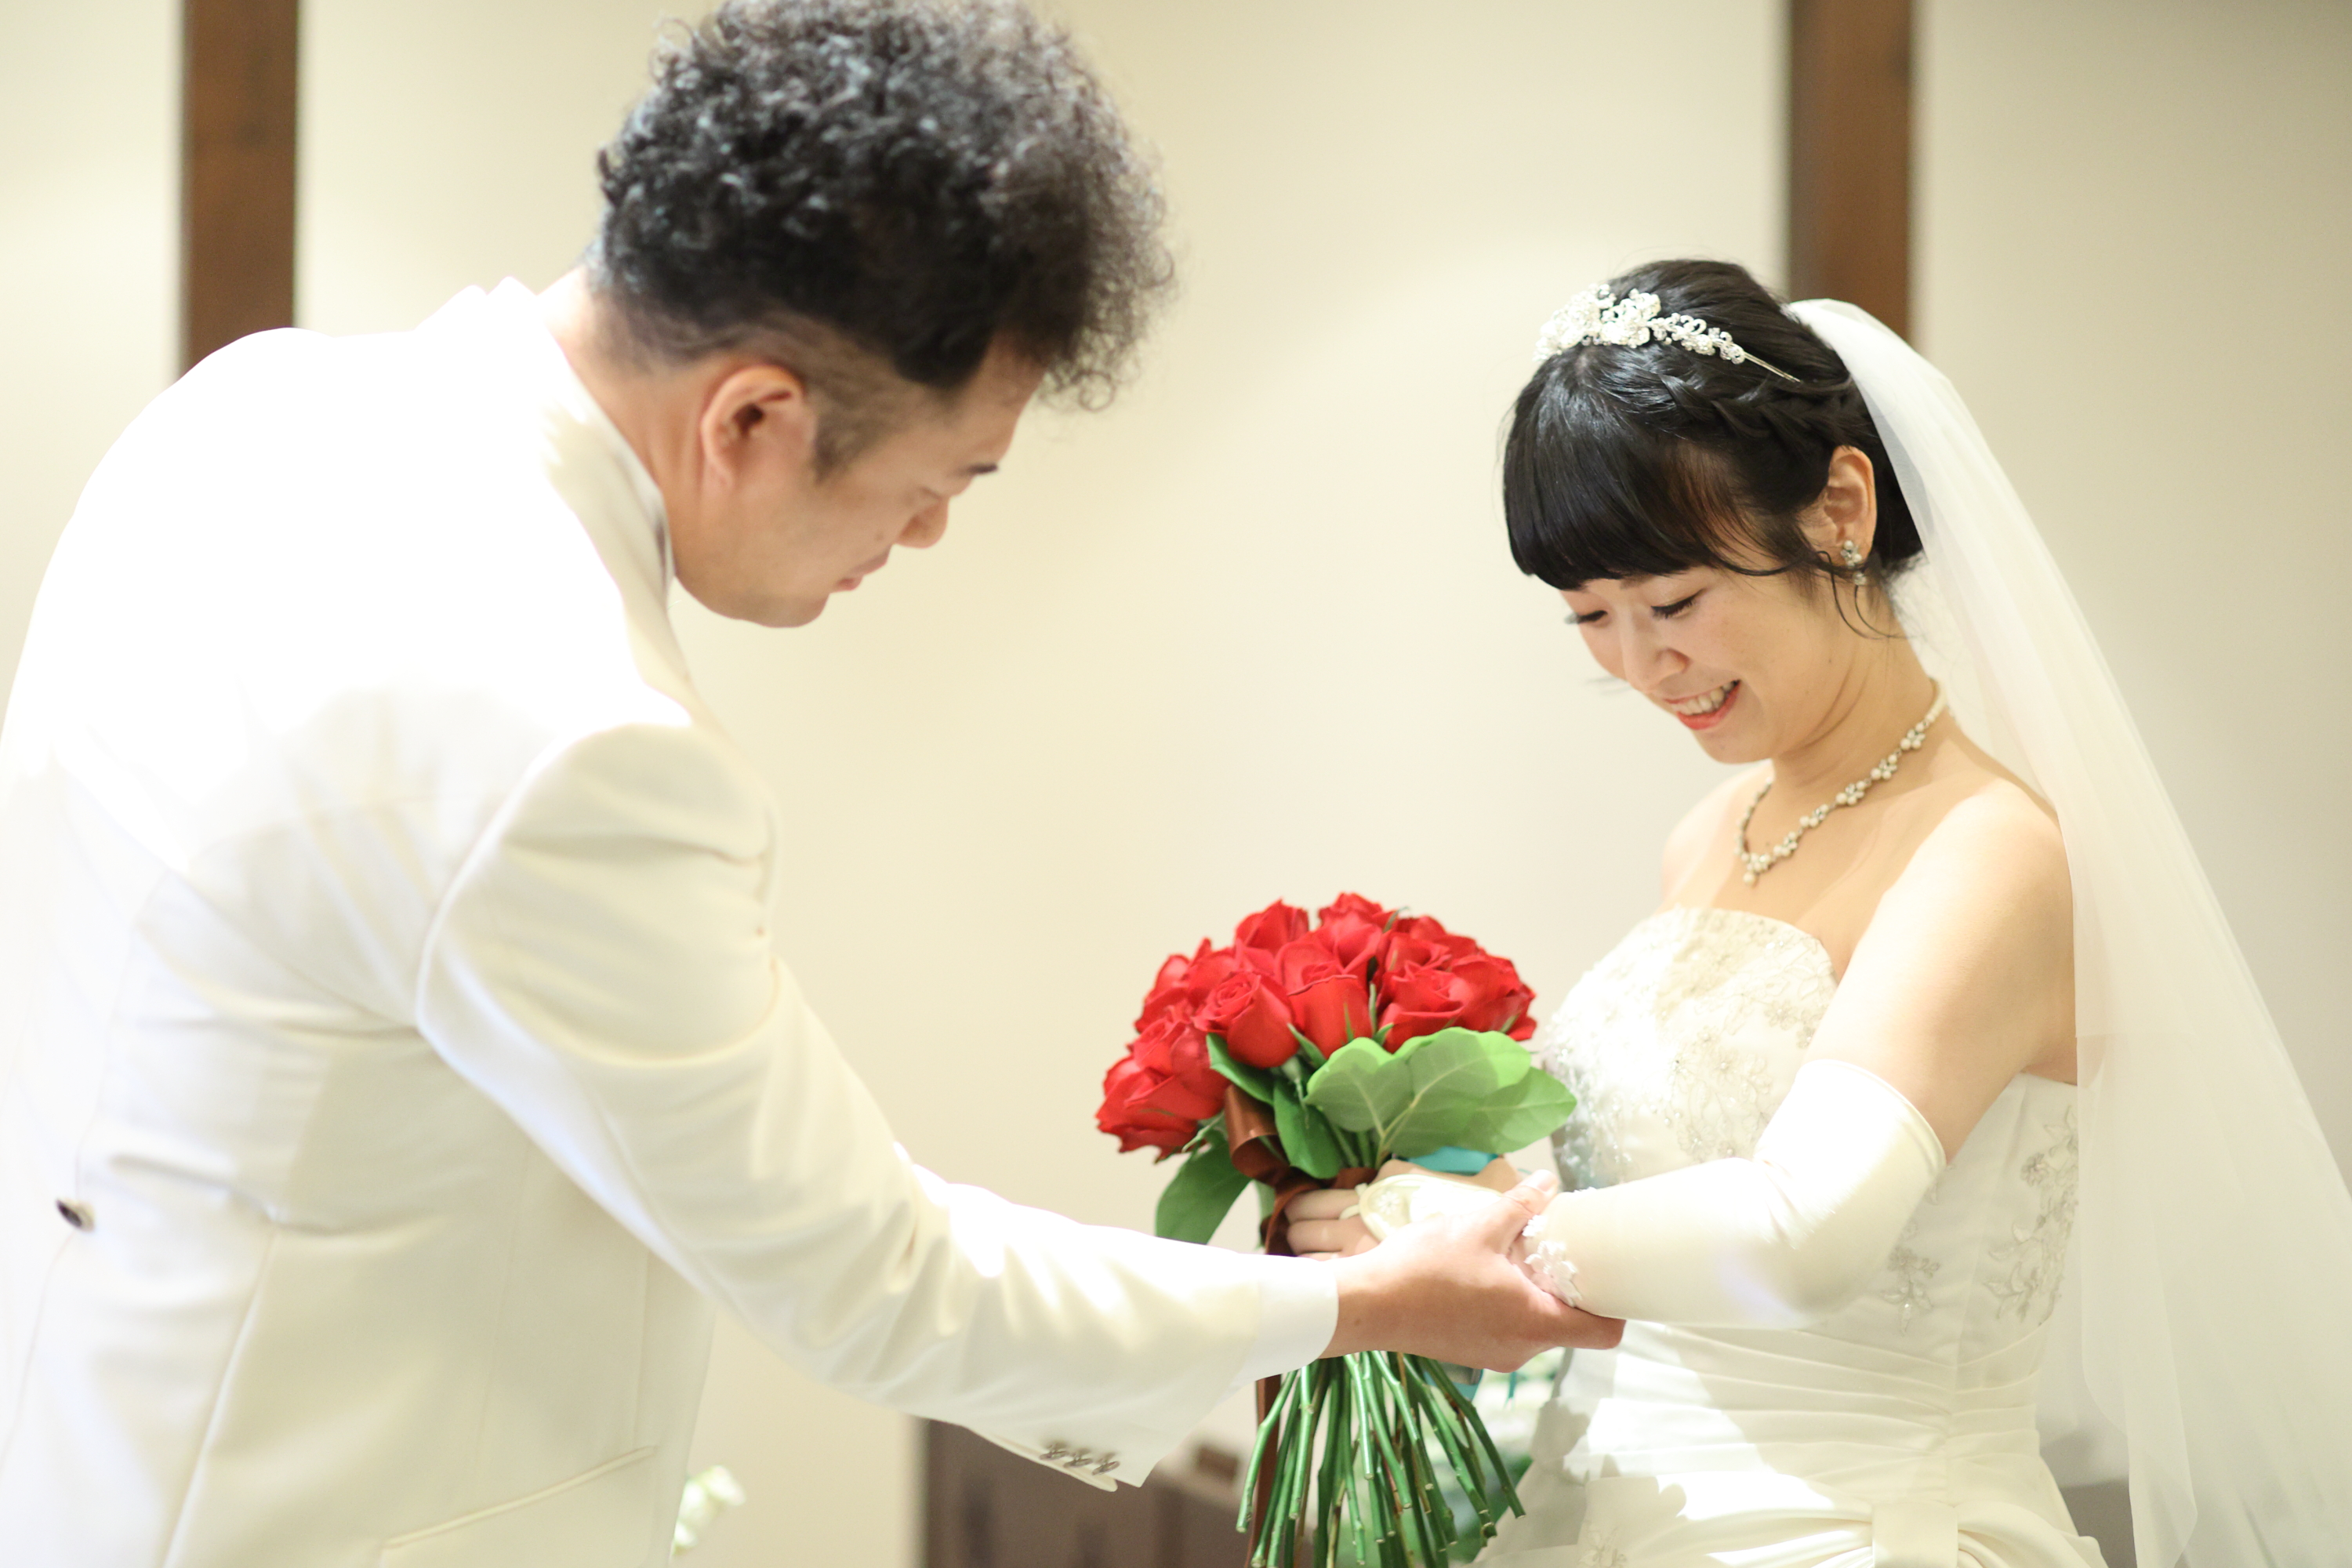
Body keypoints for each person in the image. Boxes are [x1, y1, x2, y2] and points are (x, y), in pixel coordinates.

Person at [0, 4, 1617, 1563]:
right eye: (935, 483)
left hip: (88, 1449)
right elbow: (876, 1278)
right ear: (756, 416)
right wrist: (1359, 1305)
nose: (927, 535)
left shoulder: (249, 406)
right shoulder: (573, 738)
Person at [1290, 260, 2352, 1567]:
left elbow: (1802, 1234)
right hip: (1617, 1505)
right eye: (1591, 617)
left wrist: (1474, 1238)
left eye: (1676, 602)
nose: (1643, 664)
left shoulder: (1988, 852)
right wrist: (1425, 1193)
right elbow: (1652, 1187)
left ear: (1842, 508)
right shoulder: (1707, 836)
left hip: (1854, 1527)